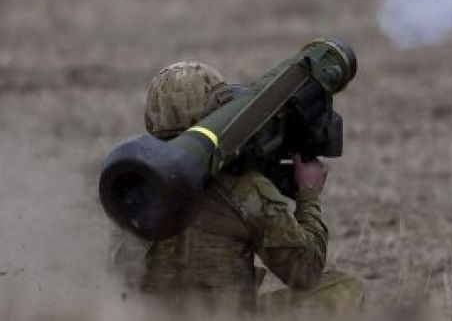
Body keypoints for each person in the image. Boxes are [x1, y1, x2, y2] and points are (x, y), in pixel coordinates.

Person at [109, 61, 365, 317]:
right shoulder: (246, 190)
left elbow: (120, 275)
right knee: (344, 287)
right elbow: (304, 271)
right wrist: (308, 195)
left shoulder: (130, 187)